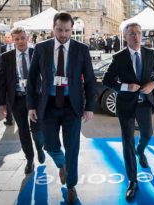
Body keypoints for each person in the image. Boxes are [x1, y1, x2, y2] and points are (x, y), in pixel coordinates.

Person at [26, 12, 96, 203]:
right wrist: (31, 105)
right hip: (48, 105)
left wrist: (89, 106)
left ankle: (71, 185)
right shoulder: (41, 48)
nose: (63, 34)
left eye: (67, 30)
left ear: (72, 29)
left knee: (72, 147)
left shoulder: (81, 49)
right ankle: (61, 163)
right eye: (59, 30)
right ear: (53, 27)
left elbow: (89, 80)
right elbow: (32, 79)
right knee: (49, 144)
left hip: (72, 106)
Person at [102, 22, 154, 201]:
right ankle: (133, 181)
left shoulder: (150, 54)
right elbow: (107, 80)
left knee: (147, 134)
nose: (135, 36)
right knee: (127, 141)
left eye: (138, 33)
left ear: (142, 35)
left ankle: (141, 150)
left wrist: (153, 84)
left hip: (144, 103)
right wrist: (125, 86)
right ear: (125, 37)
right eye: (131, 33)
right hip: (126, 106)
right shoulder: (119, 57)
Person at [0, 27, 45, 175]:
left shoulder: (36, 53)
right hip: (17, 99)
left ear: (28, 38)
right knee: (23, 131)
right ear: (12, 40)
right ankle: (29, 159)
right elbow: (2, 81)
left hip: (35, 99)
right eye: (17, 39)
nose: (20, 41)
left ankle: (39, 147)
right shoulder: (6, 57)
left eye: (22, 38)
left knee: (37, 129)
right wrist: (2, 103)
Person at [0, 33, 15, 126]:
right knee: (8, 99)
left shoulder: (17, 47)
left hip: (19, 77)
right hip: (8, 76)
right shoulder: (2, 48)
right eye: (6, 38)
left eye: (9, 37)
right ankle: (9, 118)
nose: (7, 39)